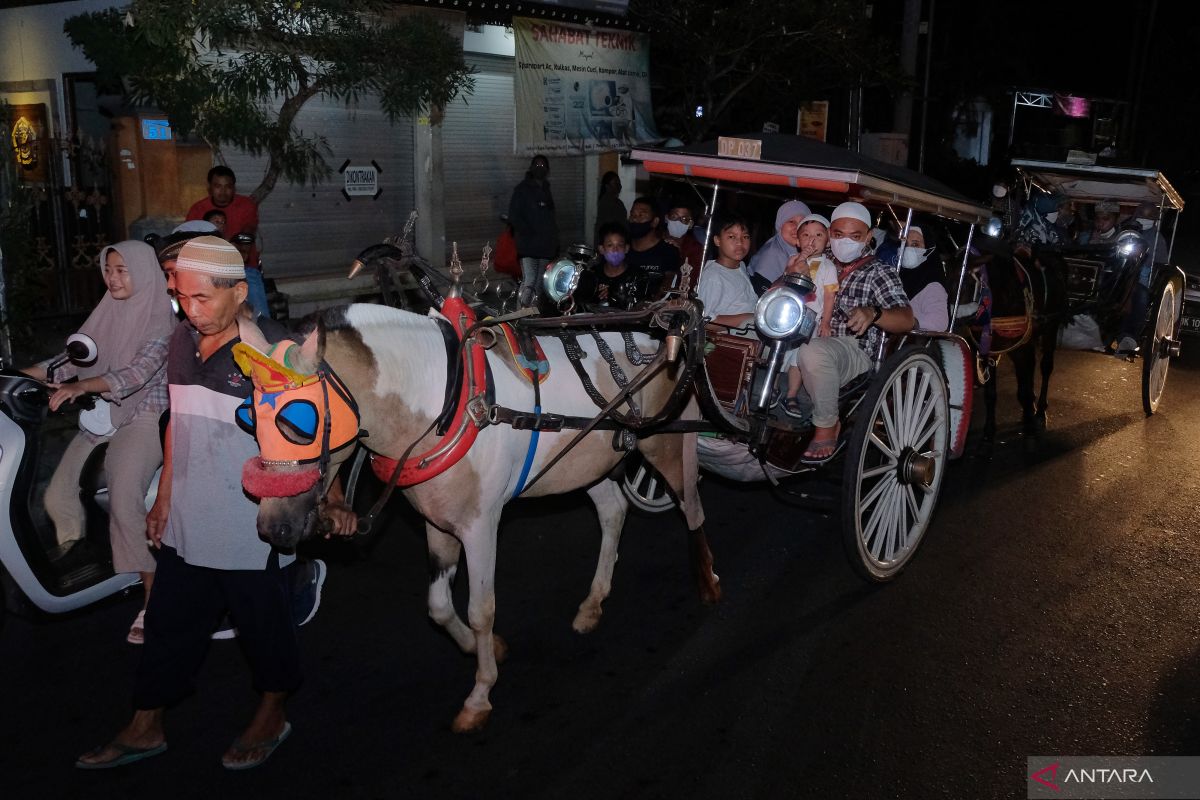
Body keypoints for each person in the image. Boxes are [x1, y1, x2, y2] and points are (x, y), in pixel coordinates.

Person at [73, 236, 306, 770]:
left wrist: (322, 497)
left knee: (264, 628)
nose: (192, 311)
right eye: (184, 298)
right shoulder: (181, 341)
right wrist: (165, 499)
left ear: (238, 291)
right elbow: (177, 421)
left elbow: (312, 437)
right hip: (188, 517)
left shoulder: (274, 350)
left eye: (204, 299)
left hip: (251, 523)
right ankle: (144, 725)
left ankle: (273, 711)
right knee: (168, 626)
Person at [23, 241, 176, 644]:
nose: (113, 278)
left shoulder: (161, 320)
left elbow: (137, 373)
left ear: (143, 272)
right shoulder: (107, 313)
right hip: (104, 414)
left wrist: (82, 387)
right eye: (108, 270)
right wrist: (18, 376)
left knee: (124, 495)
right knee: (56, 495)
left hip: (144, 414)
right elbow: (71, 357)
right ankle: (78, 558)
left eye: (122, 270)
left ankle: (152, 594)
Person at [792, 202, 913, 460]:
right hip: (805, 334)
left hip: (853, 349)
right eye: (837, 235)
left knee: (813, 352)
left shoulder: (879, 272)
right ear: (828, 234)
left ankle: (826, 428)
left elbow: (906, 320)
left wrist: (874, 313)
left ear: (868, 237)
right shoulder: (818, 263)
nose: (844, 241)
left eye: (854, 236)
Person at [186, 166, 269, 318]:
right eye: (218, 186)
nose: (223, 191)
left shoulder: (245, 205)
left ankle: (267, 335)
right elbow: (190, 238)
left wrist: (239, 245)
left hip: (243, 268)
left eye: (228, 186)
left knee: (260, 312)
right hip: (209, 269)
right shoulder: (198, 209)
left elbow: (248, 230)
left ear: (234, 187)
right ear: (210, 188)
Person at [781, 214, 839, 416]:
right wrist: (802, 257)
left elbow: (830, 296)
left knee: (798, 357)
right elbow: (791, 274)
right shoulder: (793, 260)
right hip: (787, 314)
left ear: (828, 241)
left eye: (818, 235)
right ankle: (771, 388)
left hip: (810, 320)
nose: (811, 240)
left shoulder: (828, 266)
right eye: (805, 235)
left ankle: (791, 395)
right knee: (780, 352)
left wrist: (825, 322)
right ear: (797, 241)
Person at [1113, 202, 1171, 355]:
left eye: (1148, 217)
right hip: (1119, 275)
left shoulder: (1158, 239)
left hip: (1141, 279)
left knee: (1140, 298)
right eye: (1140, 216)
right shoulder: (1126, 230)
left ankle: (1129, 337)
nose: (1143, 220)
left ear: (1154, 220)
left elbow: (1161, 264)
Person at [507, 154, 559, 307]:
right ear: (530, 168)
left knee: (539, 283)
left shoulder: (546, 189)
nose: (540, 169)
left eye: (543, 166)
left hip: (545, 247)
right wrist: (528, 232)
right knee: (529, 280)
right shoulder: (522, 190)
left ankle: (532, 315)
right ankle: (519, 315)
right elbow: (514, 217)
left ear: (548, 170)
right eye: (536, 165)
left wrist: (555, 242)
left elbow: (551, 219)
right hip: (528, 247)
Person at [695, 215, 757, 329]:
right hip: (731, 339)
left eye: (745, 237)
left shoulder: (740, 266)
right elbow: (704, 321)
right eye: (732, 237)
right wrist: (749, 318)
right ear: (717, 240)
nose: (740, 242)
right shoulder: (713, 277)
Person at [748, 199, 812, 292]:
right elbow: (762, 295)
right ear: (780, 225)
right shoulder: (771, 254)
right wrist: (788, 275)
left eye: (802, 223)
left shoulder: (807, 252)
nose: (797, 227)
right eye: (791, 221)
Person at [625, 196, 682, 298]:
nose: (635, 219)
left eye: (641, 215)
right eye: (632, 214)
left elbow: (669, 284)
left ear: (655, 221)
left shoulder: (668, 252)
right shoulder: (622, 249)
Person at [897, 225, 949, 333]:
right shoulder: (895, 276)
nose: (908, 249)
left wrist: (907, 322)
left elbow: (939, 322)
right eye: (904, 244)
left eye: (915, 244)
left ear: (929, 248)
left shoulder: (932, 285)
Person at [587, 222, 647, 309]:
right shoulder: (592, 275)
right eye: (610, 245)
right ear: (601, 249)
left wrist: (616, 295)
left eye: (620, 245)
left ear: (626, 248)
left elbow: (641, 309)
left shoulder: (638, 276)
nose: (615, 250)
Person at [662, 198, 705, 273]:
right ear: (666, 218)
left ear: (690, 224)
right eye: (674, 217)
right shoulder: (655, 239)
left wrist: (679, 254)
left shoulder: (695, 249)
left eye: (684, 219)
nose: (678, 222)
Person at [594, 170, 627, 247]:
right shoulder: (607, 203)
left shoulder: (617, 202)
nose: (619, 186)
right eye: (616, 183)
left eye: (619, 183)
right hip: (611, 242)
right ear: (607, 186)